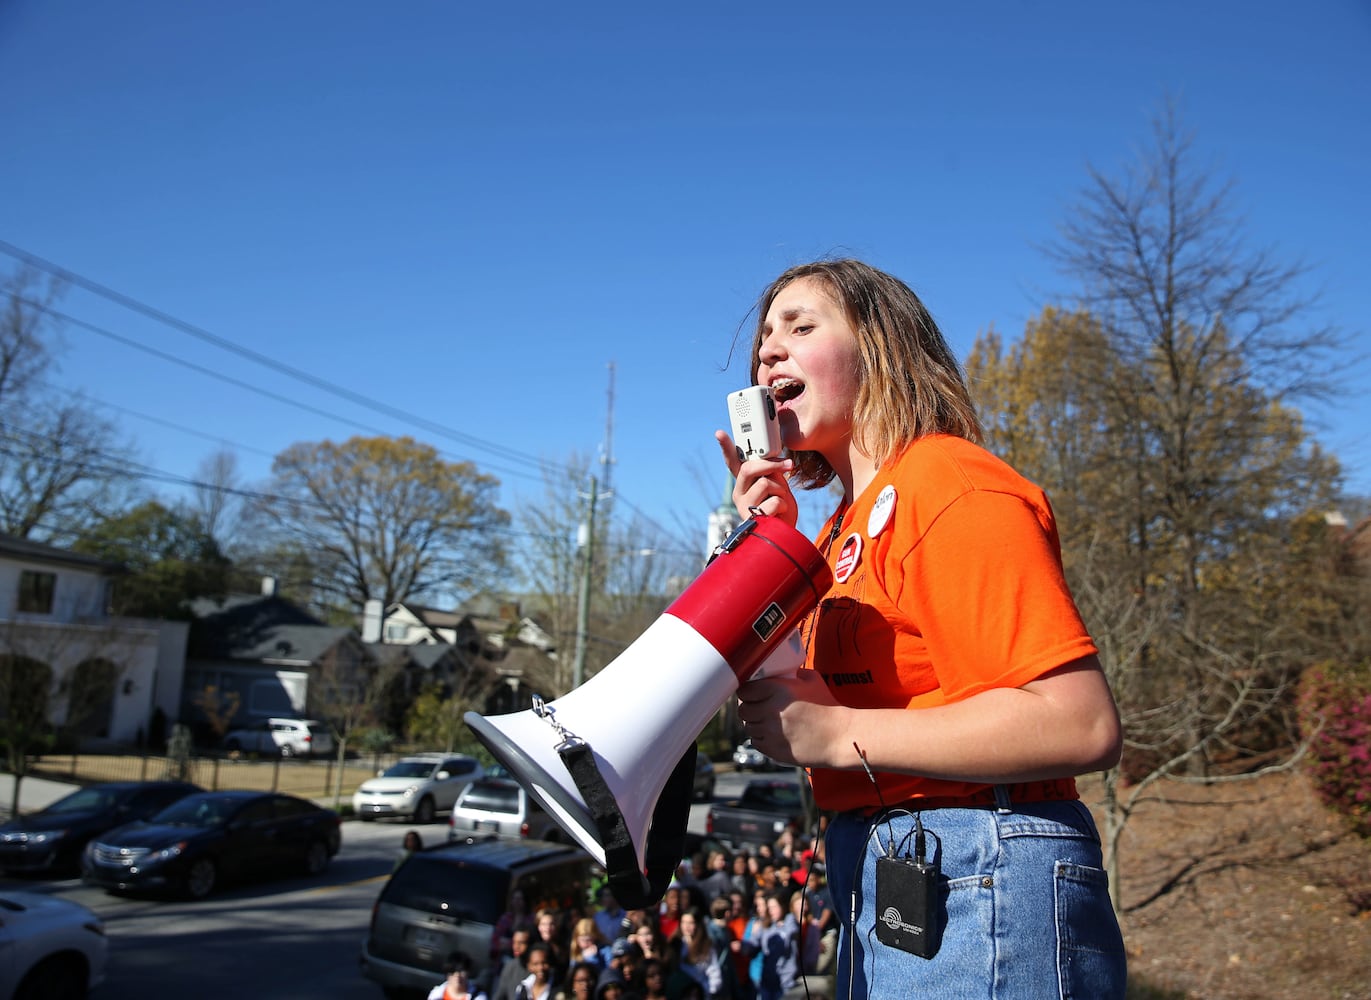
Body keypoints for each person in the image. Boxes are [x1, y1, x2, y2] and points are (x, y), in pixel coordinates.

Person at [716, 258, 1128, 998]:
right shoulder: (838, 534)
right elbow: (802, 702)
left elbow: (1078, 723)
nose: (767, 351)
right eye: (763, 339)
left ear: (880, 348)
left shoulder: (950, 485)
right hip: (898, 869)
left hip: (982, 868)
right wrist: (768, 551)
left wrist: (838, 736)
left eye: (801, 326)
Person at [492, 928, 534, 1000]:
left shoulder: (538, 969)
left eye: (521, 943)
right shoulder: (510, 966)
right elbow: (500, 995)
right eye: (514, 942)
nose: (516, 947)